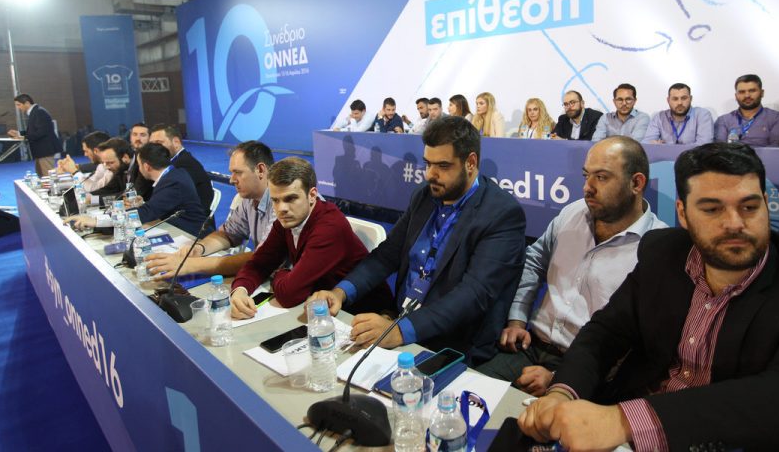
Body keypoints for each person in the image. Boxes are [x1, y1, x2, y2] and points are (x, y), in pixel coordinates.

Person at [518, 143, 779, 452]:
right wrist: (563, 392)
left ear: (766, 204)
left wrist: (624, 421)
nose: (734, 223)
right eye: (712, 209)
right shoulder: (662, 253)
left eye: (749, 207)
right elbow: (605, 332)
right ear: (683, 214)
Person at [309, 115, 526, 365]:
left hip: (452, 345)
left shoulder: (501, 214)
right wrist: (340, 293)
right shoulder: (424, 196)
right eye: (428, 163)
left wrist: (400, 332)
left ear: (470, 162)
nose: (430, 174)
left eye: (442, 166)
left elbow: (473, 295)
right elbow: (387, 254)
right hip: (401, 323)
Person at [477, 137, 667, 395]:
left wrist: (560, 377)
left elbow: (638, 346)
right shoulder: (573, 213)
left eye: (601, 177)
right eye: (586, 176)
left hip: (591, 374)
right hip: (529, 347)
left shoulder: (656, 248)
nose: (587, 187)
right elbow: (534, 261)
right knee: (465, 398)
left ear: (636, 183)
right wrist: (517, 319)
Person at [229, 158, 385, 314]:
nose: (281, 208)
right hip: (325, 309)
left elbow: (288, 294)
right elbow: (258, 264)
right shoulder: (286, 221)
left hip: (364, 314)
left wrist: (280, 272)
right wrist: (240, 290)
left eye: (290, 198)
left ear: (312, 195)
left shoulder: (330, 227)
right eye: (275, 200)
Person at [145, 141, 275, 279]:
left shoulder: (281, 203)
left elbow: (263, 258)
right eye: (231, 173)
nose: (231, 180)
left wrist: (191, 265)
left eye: (238, 172)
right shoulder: (249, 200)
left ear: (260, 170)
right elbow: (228, 234)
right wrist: (199, 248)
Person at [75, 143, 207, 234]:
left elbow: (146, 213)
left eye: (139, 165)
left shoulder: (173, 183)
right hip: (175, 228)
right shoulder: (173, 174)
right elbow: (161, 206)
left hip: (190, 234)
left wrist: (96, 221)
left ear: (147, 166)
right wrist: (143, 203)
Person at [148, 124, 214, 214]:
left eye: (159, 143)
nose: (154, 149)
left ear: (176, 142)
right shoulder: (175, 161)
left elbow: (165, 201)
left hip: (191, 220)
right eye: (151, 145)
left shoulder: (184, 164)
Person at [714, 74, 779, 146]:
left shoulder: (777, 118)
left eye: (752, 91)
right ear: (736, 96)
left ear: (762, 93)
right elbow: (720, 149)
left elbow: (775, 150)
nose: (747, 95)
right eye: (742, 92)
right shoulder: (724, 120)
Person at [8, 94, 61, 176]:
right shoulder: (35, 112)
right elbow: (33, 131)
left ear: (27, 103)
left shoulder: (39, 112)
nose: (18, 108)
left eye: (19, 105)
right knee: (42, 176)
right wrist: (18, 133)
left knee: (49, 177)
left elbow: (42, 132)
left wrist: (23, 137)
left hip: (45, 150)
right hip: (40, 151)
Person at [643, 83, 714, 145]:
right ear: (668, 100)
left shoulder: (702, 115)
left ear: (691, 99)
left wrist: (664, 147)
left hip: (692, 157)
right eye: (675, 99)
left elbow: (703, 146)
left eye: (684, 98)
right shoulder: (659, 117)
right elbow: (647, 143)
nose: (680, 103)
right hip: (665, 157)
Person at [89, 137, 134, 204]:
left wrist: (94, 200)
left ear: (125, 157)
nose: (107, 167)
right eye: (105, 163)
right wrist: (87, 196)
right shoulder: (121, 169)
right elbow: (109, 189)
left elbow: (130, 196)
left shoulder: (139, 168)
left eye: (110, 163)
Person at [126, 122, 153, 201]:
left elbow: (137, 190)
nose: (138, 138)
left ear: (150, 138)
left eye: (143, 135)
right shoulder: (132, 155)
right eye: (134, 134)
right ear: (130, 138)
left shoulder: (149, 159)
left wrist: (116, 201)